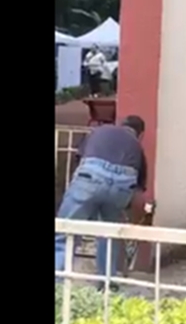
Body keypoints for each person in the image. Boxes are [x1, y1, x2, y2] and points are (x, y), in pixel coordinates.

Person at [55, 115, 148, 285]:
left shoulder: (100, 131)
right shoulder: (137, 147)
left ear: (121, 124)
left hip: (91, 175)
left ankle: (57, 284)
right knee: (109, 235)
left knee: (64, 234)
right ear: (140, 134)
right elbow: (138, 192)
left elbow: (80, 158)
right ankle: (107, 286)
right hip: (122, 184)